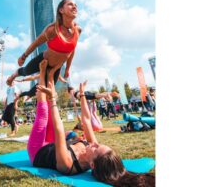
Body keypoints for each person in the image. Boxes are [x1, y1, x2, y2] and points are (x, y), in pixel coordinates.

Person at [27, 60, 155, 186]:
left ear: (92, 165)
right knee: (48, 103)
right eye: (99, 144)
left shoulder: (68, 164)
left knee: (44, 111)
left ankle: (43, 71)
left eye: (96, 148)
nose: (94, 143)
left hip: (37, 151)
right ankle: (49, 76)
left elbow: (59, 130)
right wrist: (82, 95)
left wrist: (53, 99)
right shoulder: (93, 150)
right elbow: (87, 121)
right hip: (51, 144)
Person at [6, 0, 81, 87]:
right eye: (70, 4)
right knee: (26, 71)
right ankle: (14, 75)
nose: (74, 7)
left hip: (56, 68)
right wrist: (23, 56)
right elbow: (36, 43)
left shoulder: (78, 30)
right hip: (42, 60)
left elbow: (71, 50)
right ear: (61, 10)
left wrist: (67, 69)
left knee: (49, 93)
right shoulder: (53, 30)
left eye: (75, 5)